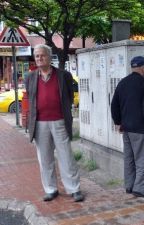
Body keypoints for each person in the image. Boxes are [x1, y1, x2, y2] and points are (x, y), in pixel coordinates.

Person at [25, 44, 84, 202]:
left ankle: (74, 189)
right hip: (40, 123)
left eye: (42, 55)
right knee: (45, 159)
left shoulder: (63, 75)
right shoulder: (30, 77)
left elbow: (70, 97)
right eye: (36, 56)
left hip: (59, 121)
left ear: (50, 57)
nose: (39, 58)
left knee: (66, 156)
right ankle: (51, 189)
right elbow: (30, 98)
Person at [111, 56, 144, 198]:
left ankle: (129, 186)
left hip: (126, 128)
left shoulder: (122, 83)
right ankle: (141, 188)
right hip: (140, 128)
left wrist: (118, 122)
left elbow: (114, 105)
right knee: (143, 158)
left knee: (129, 159)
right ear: (142, 68)